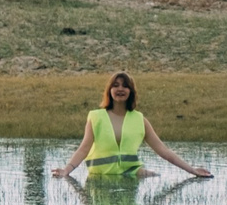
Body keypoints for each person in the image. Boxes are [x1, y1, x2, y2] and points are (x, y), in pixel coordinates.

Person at [56, 71, 211, 182]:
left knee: (157, 178)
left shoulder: (139, 119)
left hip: (131, 175)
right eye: (116, 85)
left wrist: (192, 170)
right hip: (99, 179)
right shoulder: (96, 117)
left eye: (125, 86)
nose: (120, 89)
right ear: (109, 91)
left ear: (131, 91)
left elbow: (163, 151)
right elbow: (83, 148)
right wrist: (66, 170)